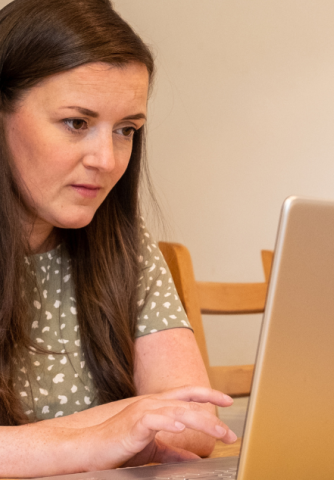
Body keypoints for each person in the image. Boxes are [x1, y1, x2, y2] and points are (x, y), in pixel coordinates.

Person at [0, 0, 237, 476]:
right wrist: (103, 435)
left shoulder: (123, 242)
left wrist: (104, 434)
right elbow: (156, 420)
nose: (107, 161)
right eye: (77, 123)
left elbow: (196, 421)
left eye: (127, 129)